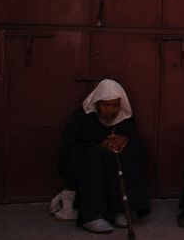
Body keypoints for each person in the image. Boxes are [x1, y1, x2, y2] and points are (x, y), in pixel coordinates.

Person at [58, 79, 150, 234]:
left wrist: (125, 139)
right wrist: (100, 146)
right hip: (88, 168)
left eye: (114, 105)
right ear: (97, 104)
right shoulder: (82, 118)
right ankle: (92, 216)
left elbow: (136, 141)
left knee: (131, 150)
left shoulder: (124, 120)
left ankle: (121, 209)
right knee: (95, 155)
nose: (111, 110)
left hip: (114, 167)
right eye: (105, 105)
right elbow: (69, 149)